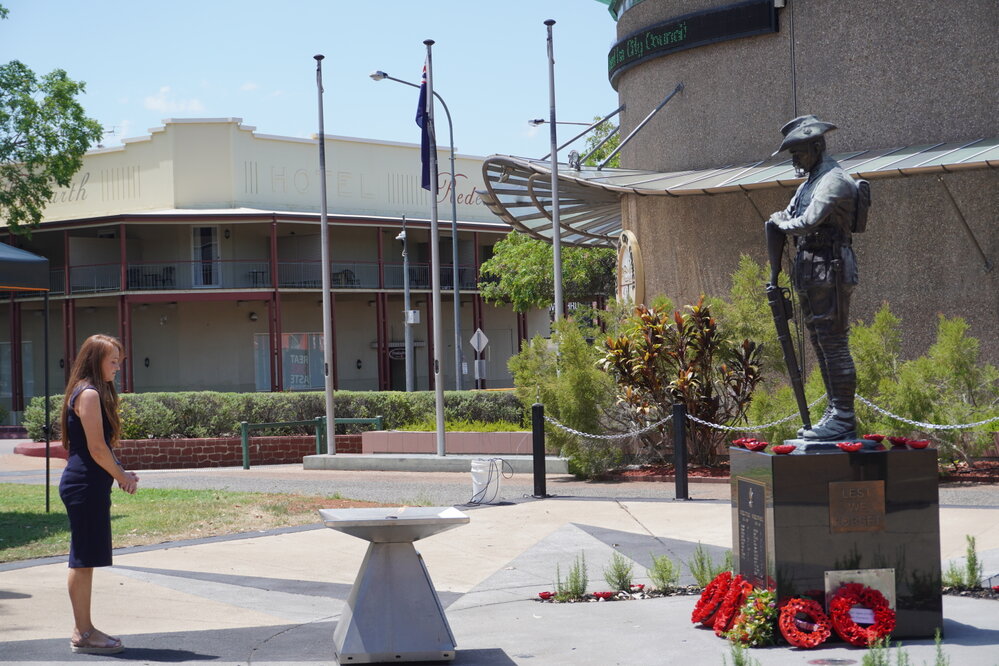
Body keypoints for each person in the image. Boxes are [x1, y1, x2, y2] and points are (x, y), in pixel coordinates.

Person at [766, 116, 860, 441]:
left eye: (798, 152)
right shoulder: (808, 183)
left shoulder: (834, 180)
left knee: (834, 343)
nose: (794, 159)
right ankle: (835, 412)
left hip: (830, 266)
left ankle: (844, 417)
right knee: (821, 342)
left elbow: (805, 221)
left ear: (817, 146)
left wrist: (780, 221)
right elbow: (787, 216)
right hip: (811, 267)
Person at [58, 334, 139, 654]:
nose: (118, 367)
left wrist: (118, 474)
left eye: (119, 360)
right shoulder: (89, 394)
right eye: (113, 360)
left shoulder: (89, 391)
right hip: (84, 484)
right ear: (96, 361)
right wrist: (121, 476)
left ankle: (85, 629)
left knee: (85, 559)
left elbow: (100, 448)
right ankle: (83, 632)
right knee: (81, 559)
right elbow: (95, 448)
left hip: (89, 482)